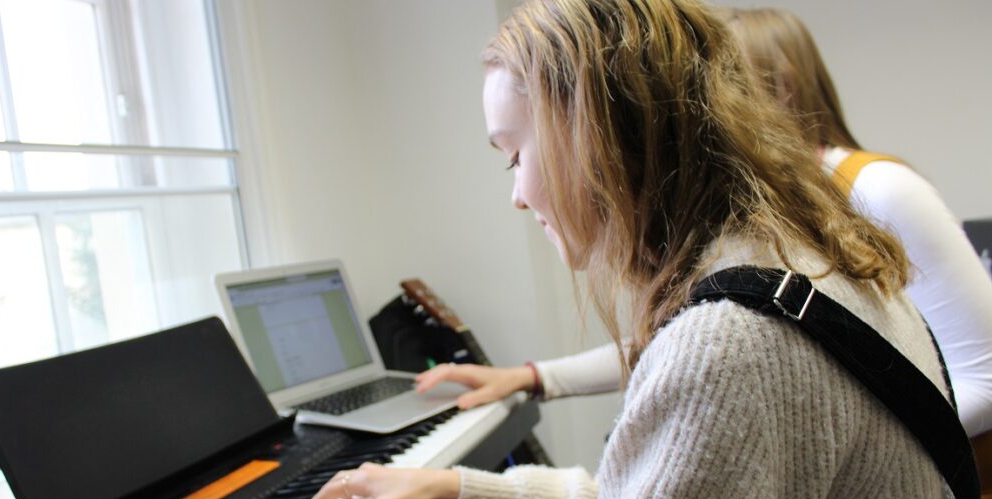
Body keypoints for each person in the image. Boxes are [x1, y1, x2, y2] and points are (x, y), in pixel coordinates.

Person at [151, 0, 973, 499]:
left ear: (596, 133)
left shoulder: (730, 346)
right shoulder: (803, 255)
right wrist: (460, 490)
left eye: (513, 153)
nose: (516, 193)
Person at [421, 6, 992, 439]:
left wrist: (856, 456)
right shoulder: (756, 255)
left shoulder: (875, 191)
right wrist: (535, 376)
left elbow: (984, 382)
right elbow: (670, 341)